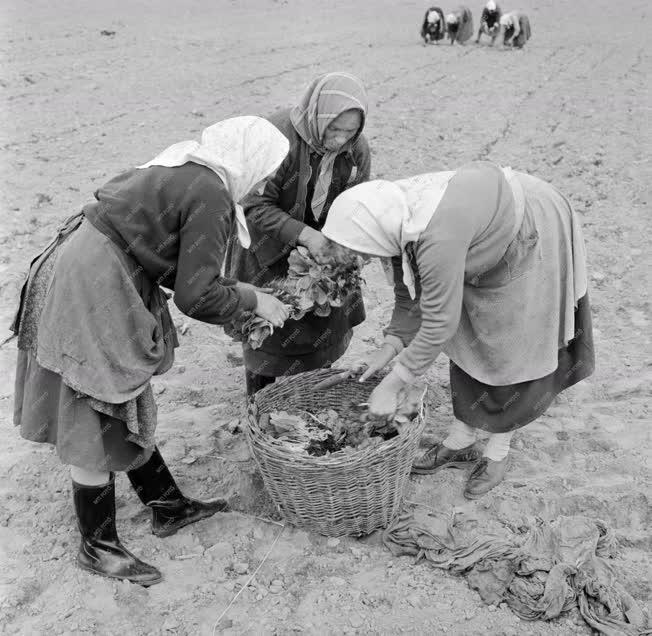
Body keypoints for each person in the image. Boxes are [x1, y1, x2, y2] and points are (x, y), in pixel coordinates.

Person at [10, 116, 290, 586]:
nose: (261, 182)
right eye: (265, 171)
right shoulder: (214, 194)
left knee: (124, 392)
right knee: (94, 401)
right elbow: (195, 296)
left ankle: (167, 505)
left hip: (87, 255)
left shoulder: (187, 165)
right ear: (252, 160)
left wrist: (237, 294)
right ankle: (97, 546)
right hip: (94, 278)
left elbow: (171, 260)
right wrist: (253, 298)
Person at [322, 161, 594, 499]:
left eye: (360, 251)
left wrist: (391, 387)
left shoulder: (435, 235)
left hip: (529, 224)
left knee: (513, 343)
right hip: (477, 234)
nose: (361, 259)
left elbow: (437, 323)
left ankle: (498, 451)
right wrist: (390, 346)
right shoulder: (395, 221)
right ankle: (462, 440)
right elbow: (410, 295)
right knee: (470, 336)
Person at [225, 72, 371, 397]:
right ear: (318, 116)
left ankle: (316, 392)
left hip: (320, 245)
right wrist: (306, 236)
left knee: (322, 318)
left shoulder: (356, 148)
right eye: (334, 129)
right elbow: (254, 204)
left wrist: (345, 245)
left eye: (349, 132)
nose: (339, 140)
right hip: (266, 245)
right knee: (267, 325)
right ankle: (260, 398)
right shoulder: (276, 138)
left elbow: (358, 201)